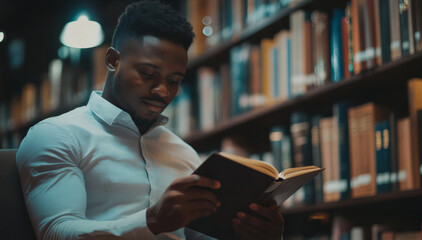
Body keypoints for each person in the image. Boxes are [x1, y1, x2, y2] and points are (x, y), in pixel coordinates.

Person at [16, 1, 284, 239]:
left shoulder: (185, 154)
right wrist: (153, 220)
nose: (163, 91)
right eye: (148, 74)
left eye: (174, 80)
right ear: (113, 61)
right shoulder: (57, 135)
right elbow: (56, 232)